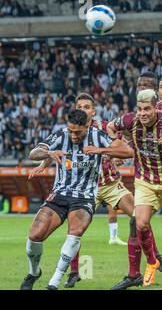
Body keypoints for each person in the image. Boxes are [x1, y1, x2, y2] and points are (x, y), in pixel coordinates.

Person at [20, 109, 133, 290]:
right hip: (60, 194)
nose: (73, 135)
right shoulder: (61, 135)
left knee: (75, 233)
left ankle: (54, 282)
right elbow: (33, 154)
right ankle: (34, 273)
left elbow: (128, 151)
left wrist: (102, 150)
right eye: (70, 131)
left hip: (85, 197)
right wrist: (49, 154)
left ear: (87, 126)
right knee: (34, 236)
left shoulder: (98, 136)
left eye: (78, 132)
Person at [108, 89, 162, 288]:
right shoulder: (130, 120)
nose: (143, 113)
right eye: (140, 109)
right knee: (140, 224)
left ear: (156, 107)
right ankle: (151, 262)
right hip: (146, 180)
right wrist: (121, 145)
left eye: (147, 109)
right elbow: (111, 127)